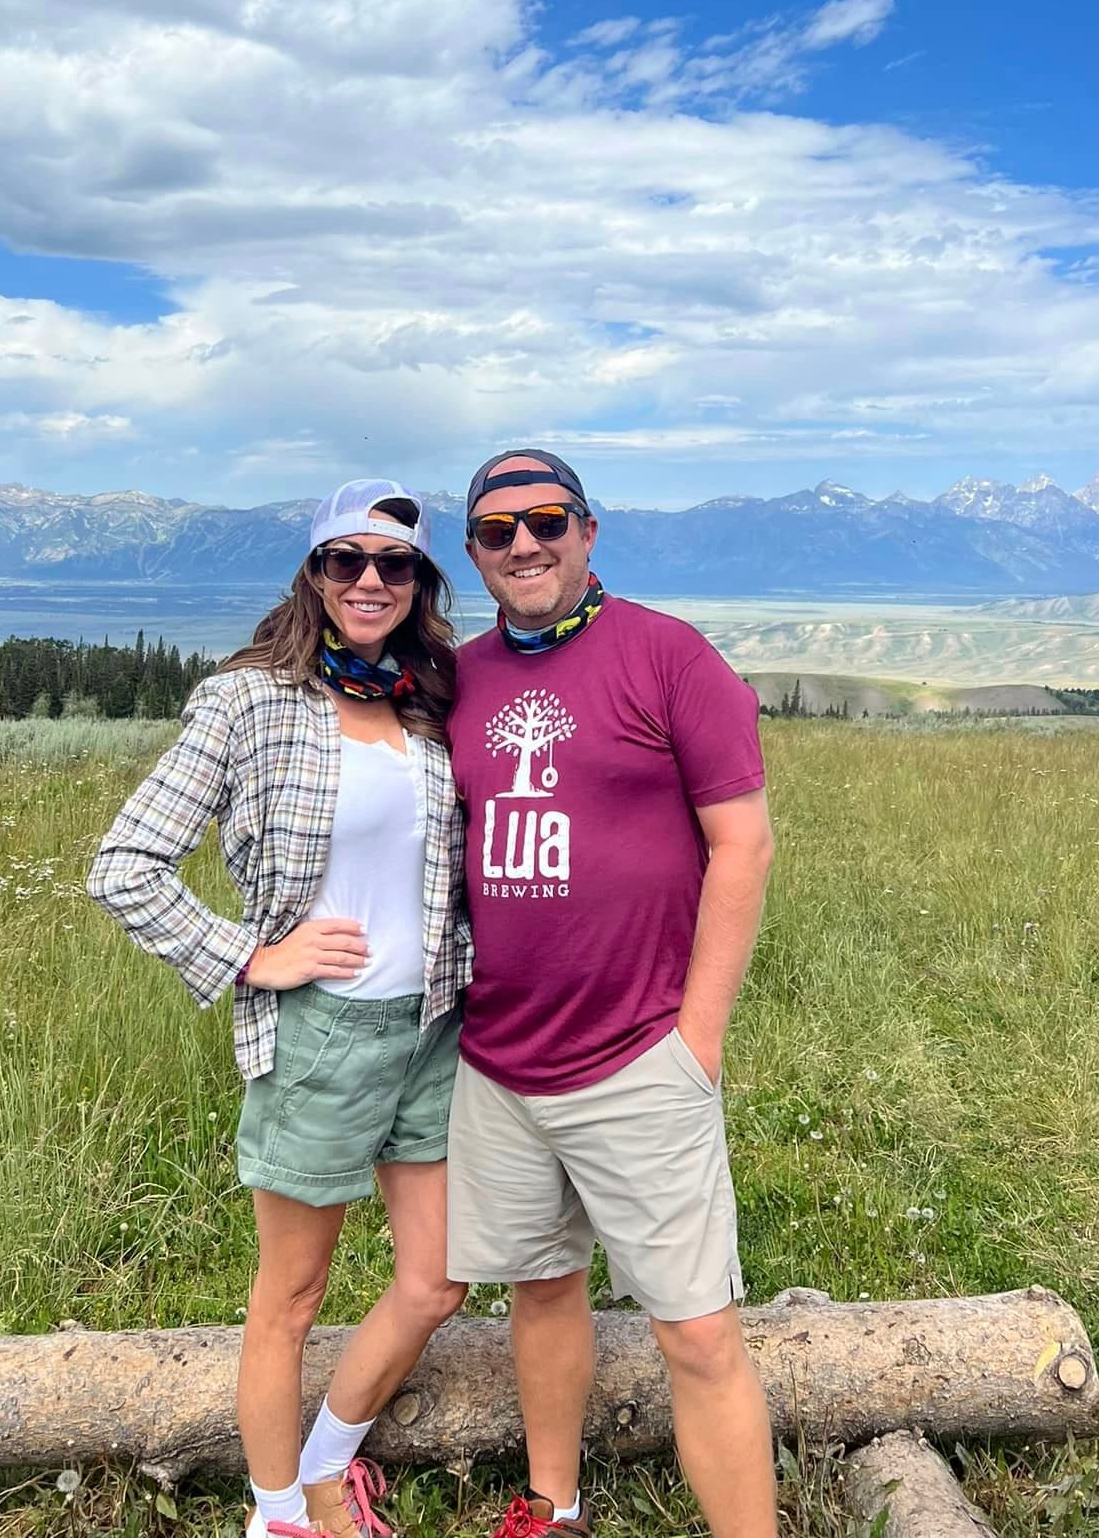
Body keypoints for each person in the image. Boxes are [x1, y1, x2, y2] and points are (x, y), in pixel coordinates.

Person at [89, 482, 471, 1538]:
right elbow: (123, 864)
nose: (368, 580)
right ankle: (277, 1519)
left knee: (437, 1278)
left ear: (419, 582)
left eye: (393, 563)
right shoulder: (249, 700)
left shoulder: (426, 699)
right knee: (290, 1295)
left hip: (434, 1026)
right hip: (321, 1034)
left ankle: (322, 1462)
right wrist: (251, 955)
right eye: (343, 560)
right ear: (311, 575)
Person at [445, 451, 777, 1538]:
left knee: (695, 1330)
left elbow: (744, 843)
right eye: (497, 532)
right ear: (475, 555)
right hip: (499, 1059)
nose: (524, 545)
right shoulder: (464, 676)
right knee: (539, 1288)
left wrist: (699, 1037)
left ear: (589, 531)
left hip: (640, 1052)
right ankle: (555, 1504)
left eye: (545, 521)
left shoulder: (669, 654)